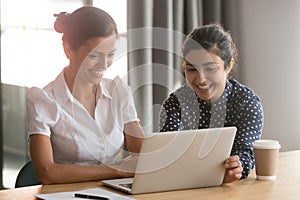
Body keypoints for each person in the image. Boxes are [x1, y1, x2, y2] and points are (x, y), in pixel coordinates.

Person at [26, 6, 144, 184]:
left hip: (112, 191)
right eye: (94, 55)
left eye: (110, 55)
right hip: (64, 194)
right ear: (67, 50)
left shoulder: (118, 91)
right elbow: (48, 173)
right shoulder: (43, 99)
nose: (104, 65)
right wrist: (117, 170)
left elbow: (144, 155)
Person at [159, 24, 264, 183]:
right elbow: (170, 156)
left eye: (210, 69)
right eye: (192, 69)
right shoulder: (175, 104)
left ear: (228, 66)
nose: (201, 79)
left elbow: (245, 154)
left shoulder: (246, 103)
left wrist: (238, 166)